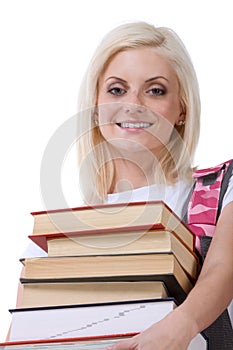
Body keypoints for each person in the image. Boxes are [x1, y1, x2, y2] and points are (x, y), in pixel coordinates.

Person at [74, 21, 233, 349]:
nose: (134, 104)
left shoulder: (222, 190)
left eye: (155, 90)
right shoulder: (56, 239)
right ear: (94, 107)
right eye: (117, 89)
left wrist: (184, 323)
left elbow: (222, 269)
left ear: (181, 109)